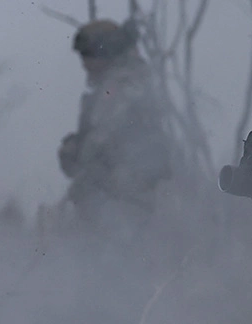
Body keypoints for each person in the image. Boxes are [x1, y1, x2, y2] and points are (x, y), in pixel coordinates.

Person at [58, 19, 171, 218]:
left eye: (87, 54)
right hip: (118, 194)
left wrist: (76, 152)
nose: (84, 64)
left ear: (104, 52)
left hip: (127, 197)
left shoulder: (123, 84)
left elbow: (100, 141)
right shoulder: (121, 82)